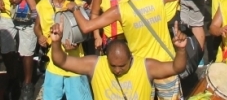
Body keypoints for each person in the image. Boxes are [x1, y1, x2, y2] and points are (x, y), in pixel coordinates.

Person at [71, 0, 198, 100]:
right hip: (166, 66)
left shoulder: (120, 10)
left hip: (141, 69)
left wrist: (74, 7)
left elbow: (87, 27)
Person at [48, 18, 189, 100]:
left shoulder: (146, 66)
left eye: (122, 65)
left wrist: (181, 50)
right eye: (113, 65)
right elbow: (62, 61)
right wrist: (55, 42)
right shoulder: (95, 65)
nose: (117, 70)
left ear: (131, 58)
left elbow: (177, 67)